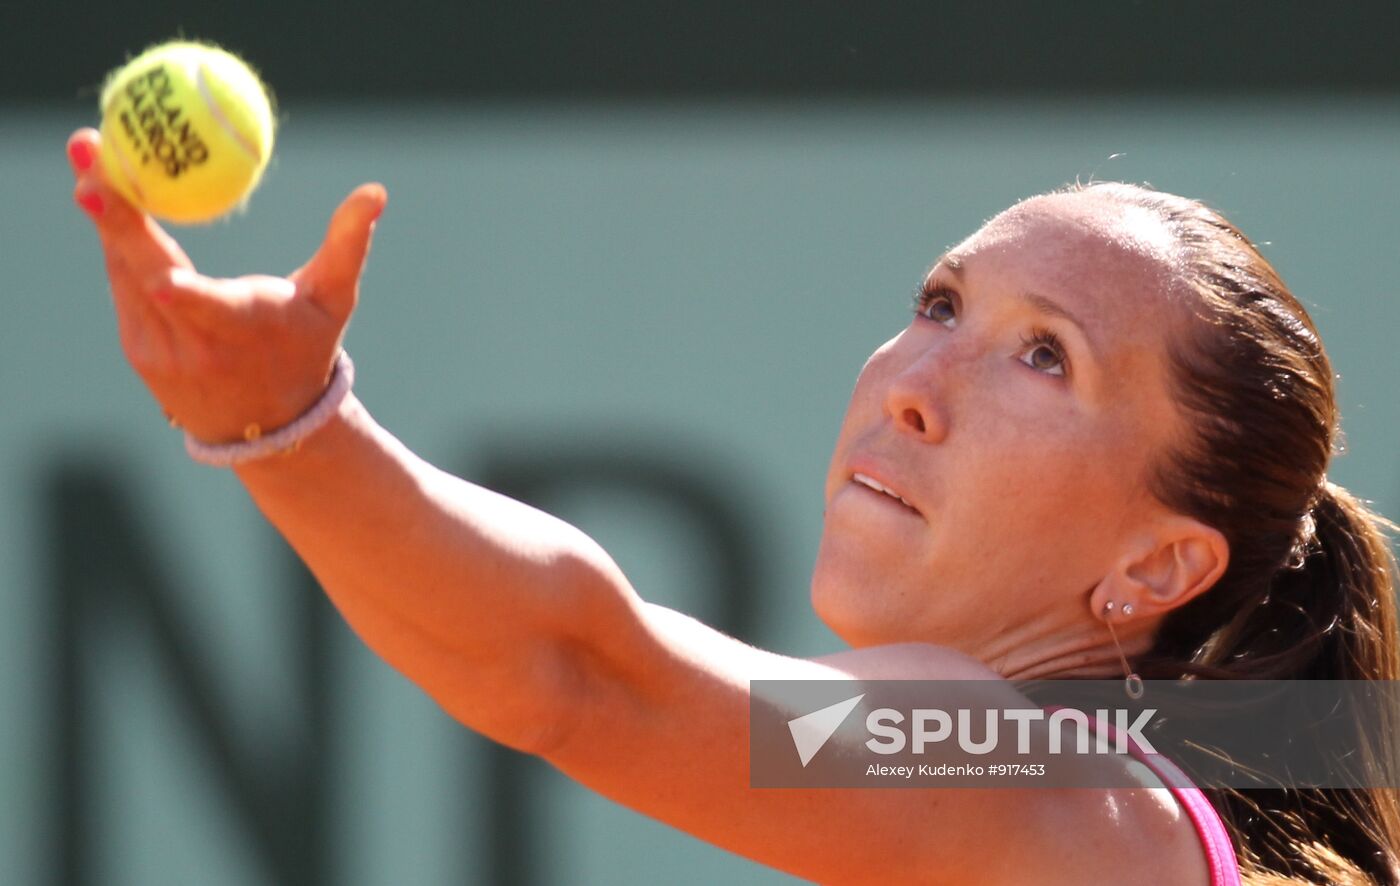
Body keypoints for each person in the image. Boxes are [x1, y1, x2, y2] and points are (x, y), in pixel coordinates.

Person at [66, 125, 1400, 885]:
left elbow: (584, 671)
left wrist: (289, 430)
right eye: (940, 304)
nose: (916, 384)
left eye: (1046, 355)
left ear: (1161, 562)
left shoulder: (1006, 755)